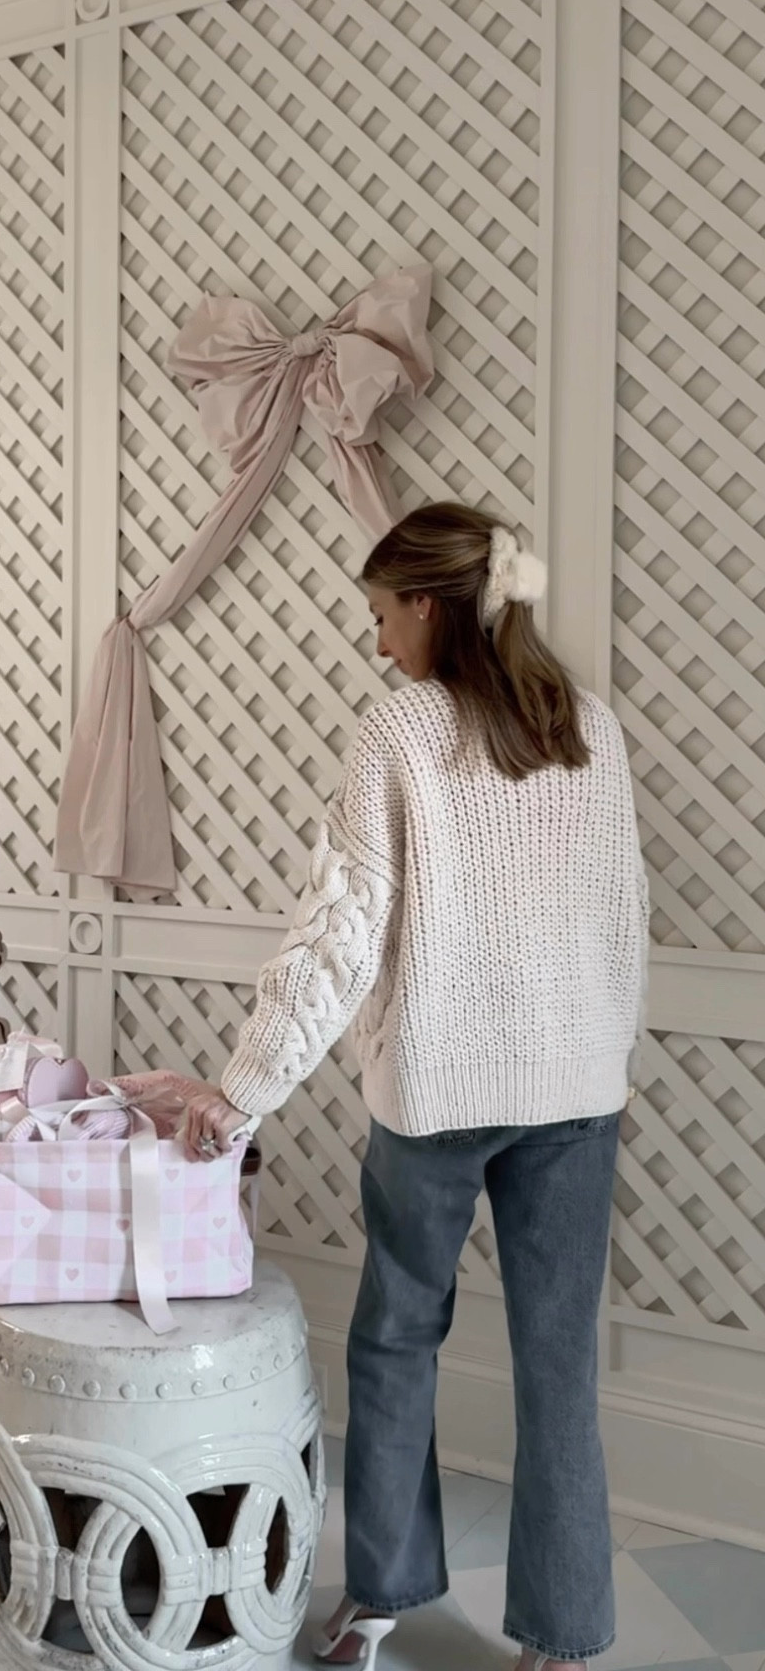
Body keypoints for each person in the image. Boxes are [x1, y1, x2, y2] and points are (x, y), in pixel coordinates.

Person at [183, 500, 649, 1671]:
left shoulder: (397, 731)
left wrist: (243, 1090)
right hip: (577, 1093)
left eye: (383, 615)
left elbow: (339, 933)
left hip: (436, 1094)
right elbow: (624, 917)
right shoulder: (590, 725)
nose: (377, 640)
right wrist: (600, 1049)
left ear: (432, 608)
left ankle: (380, 1600)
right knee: (559, 1367)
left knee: (396, 1342)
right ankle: (568, 1638)